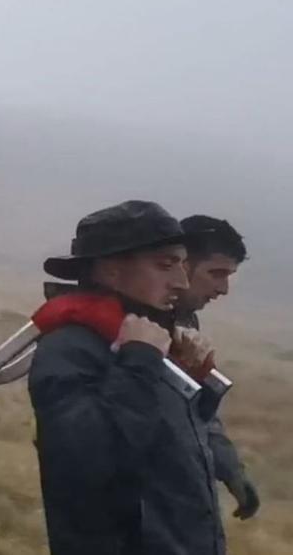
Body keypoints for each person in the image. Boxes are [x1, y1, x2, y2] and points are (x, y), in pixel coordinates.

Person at [29, 200, 225, 555]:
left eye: (182, 264)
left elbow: (171, 448)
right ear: (110, 271)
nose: (181, 281)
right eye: (166, 265)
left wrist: (190, 376)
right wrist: (140, 361)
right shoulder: (71, 347)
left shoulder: (151, 343)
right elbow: (87, 463)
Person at [174, 215, 259, 521]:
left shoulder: (182, 322)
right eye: (216, 273)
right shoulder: (129, 327)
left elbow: (197, 408)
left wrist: (230, 469)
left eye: (229, 276)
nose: (223, 289)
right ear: (181, 264)